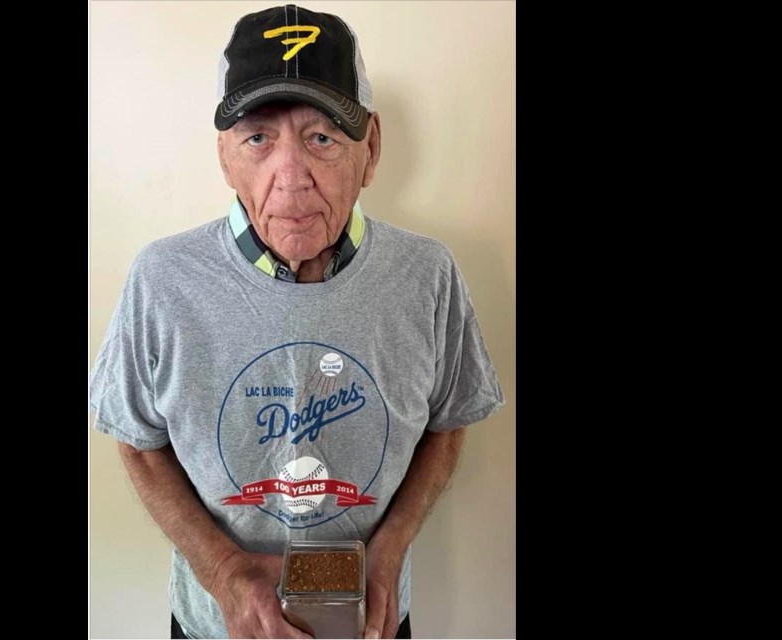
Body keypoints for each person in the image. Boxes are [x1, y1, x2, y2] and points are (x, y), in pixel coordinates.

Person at [89, 4, 505, 638]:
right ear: (224, 155)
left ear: (371, 150)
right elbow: (139, 444)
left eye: (322, 138)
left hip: (374, 623)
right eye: (258, 137)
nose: (290, 180)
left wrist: (389, 551)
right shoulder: (162, 280)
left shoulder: (428, 276)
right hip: (214, 626)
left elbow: (447, 424)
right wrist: (226, 571)